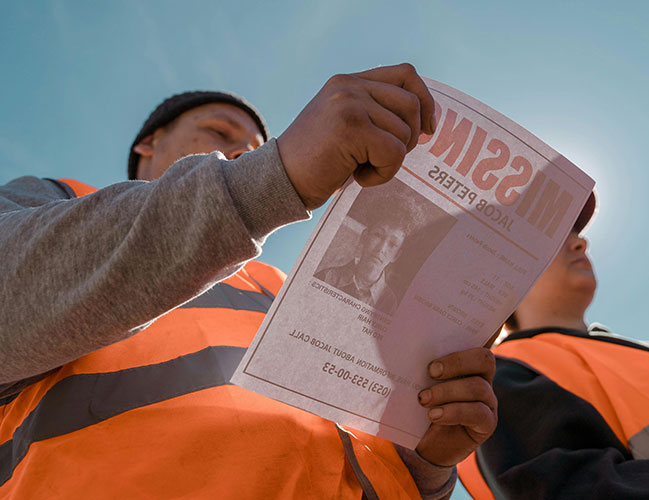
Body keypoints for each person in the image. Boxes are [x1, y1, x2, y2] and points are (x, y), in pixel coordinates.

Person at [0, 64, 498, 499]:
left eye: (258, 148)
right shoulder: (53, 200)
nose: (242, 152)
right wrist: (274, 176)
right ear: (147, 143)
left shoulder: (282, 284)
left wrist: (425, 465)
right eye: (220, 133)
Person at [457, 193, 649, 499]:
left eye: (575, 233)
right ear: (501, 273)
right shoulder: (493, 379)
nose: (579, 243)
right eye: (549, 238)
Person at [316, 199, 416, 315]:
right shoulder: (328, 277)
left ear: (396, 256)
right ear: (364, 237)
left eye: (392, 244)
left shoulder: (389, 303)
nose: (381, 249)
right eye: (378, 235)